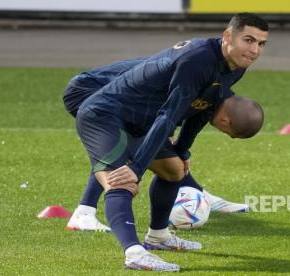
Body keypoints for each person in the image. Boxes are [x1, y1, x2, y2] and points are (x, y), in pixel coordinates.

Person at [73, 13, 268, 272]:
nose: (255, 50)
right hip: (106, 116)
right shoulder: (198, 60)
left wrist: (182, 150)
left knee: (175, 169)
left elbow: (204, 108)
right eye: (249, 40)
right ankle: (134, 253)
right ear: (228, 36)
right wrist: (137, 168)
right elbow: (168, 115)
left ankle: (158, 236)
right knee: (122, 182)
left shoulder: (236, 65)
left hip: (140, 123)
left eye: (261, 44)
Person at [63, 59, 250, 235]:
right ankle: (85, 213)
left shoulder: (209, 87)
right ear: (226, 119)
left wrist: (181, 150)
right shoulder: (198, 80)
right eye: (228, 132)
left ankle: (195, 194)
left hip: (116, 100)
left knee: (163, 155)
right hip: (88, 90)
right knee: (122, 148)